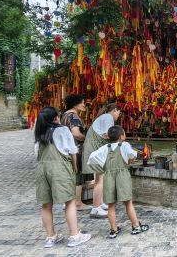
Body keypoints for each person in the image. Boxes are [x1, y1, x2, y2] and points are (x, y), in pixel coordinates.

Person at [34, 107, 92, 248]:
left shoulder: (39, 132)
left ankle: (50, 237)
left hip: (42, 169)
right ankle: (74, 235)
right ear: (55, 118)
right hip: (60, 168)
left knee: (46, 204)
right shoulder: (62, 130)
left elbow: (36, 153)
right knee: (69, 201)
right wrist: (75, 166)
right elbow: (72, 150)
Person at [88, 125, 149, 238]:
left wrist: (103, 165)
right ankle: (136, 226)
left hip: (109, 177)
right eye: (124, 133)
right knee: (128, 202)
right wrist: (129, 160)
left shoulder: (105, 147)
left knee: (111, 205)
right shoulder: (125, 145)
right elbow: (133, 156)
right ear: (122, 136)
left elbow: (92, 157)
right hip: (122, 176)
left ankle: (113, 230)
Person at [82, 103, 121, 218]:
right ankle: (96, 208)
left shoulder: (103, 117)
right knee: (99, 179)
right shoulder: (108, 117)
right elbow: (106, 135)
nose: (118, 115)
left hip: (94, 149)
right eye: (118, 113)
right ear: (114, 110)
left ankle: (100, 203)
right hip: (94, 150)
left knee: (100, 178)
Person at [61, 94, 92, 211]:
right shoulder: (73, 116)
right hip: (76, 149)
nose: (84, 105)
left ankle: (69, 201)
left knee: (70, 176)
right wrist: (87, 139)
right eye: (82, 102)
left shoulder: (64, 115)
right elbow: (75, 133)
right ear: (75, 104)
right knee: (77, 176)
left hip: (67, 150)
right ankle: (78, 202)